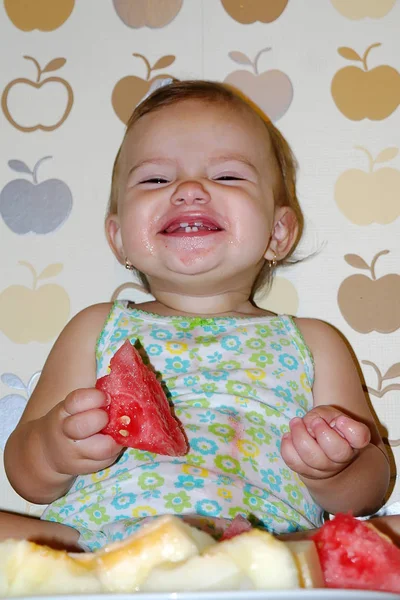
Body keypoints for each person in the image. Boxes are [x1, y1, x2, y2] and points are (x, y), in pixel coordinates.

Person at [3, 80, 399, 552]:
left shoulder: (313, 341)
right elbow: (26, 476)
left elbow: (373, 486)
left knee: (382, 536)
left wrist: (337, 468)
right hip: (94, 546)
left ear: (277, 232)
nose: (189, 189)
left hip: (264, 549)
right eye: (155, 179)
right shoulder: (95, 327)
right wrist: (54, 448)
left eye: (228, 176)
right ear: (120, 238)